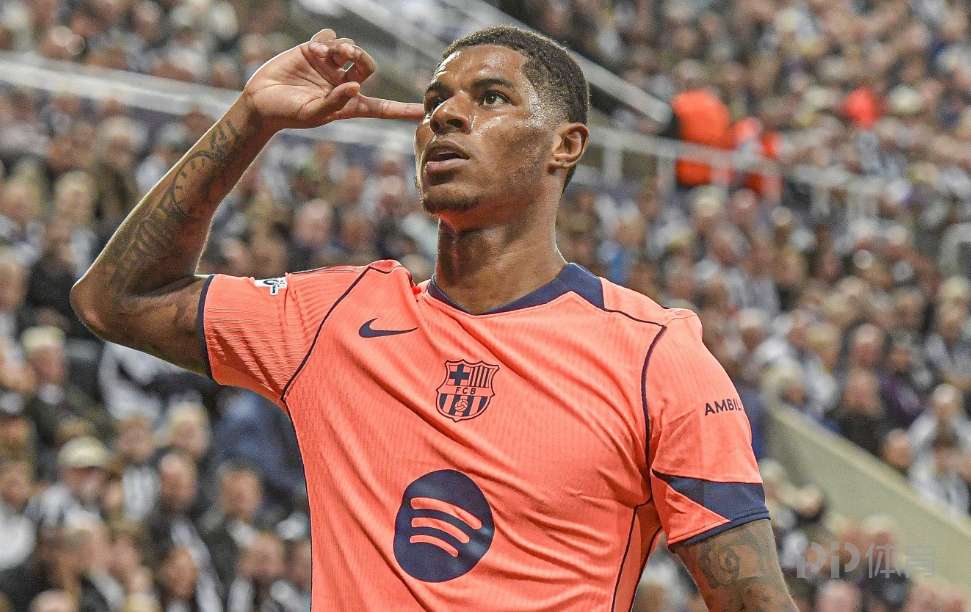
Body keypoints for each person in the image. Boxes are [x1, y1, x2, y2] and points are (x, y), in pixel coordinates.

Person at [70, 25, 795, 610]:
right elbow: (116, 300)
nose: (445, 115)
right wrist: (250, 119)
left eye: (490, 97)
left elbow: (751, 600)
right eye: (435, 100)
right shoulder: (331, 319)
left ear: (565, 145)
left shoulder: (655, 357)